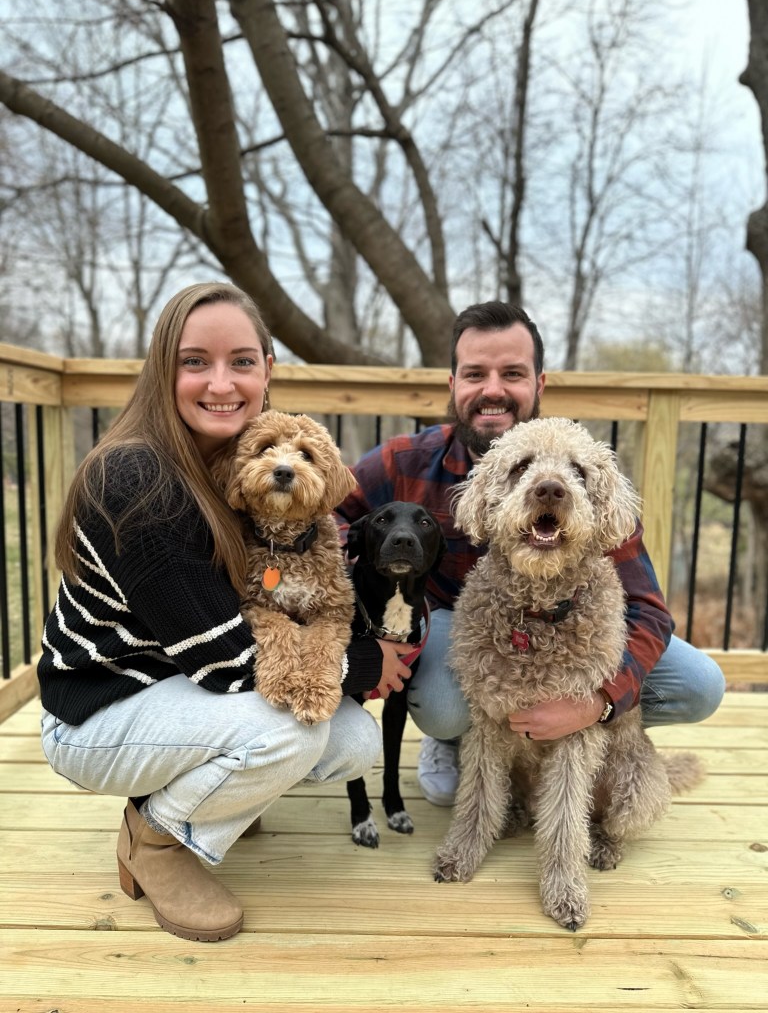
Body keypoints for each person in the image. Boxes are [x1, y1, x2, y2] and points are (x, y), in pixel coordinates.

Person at [38, 282, 414, 943]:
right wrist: (364, 662)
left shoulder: (226, 459)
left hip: (173, 678)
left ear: (267, 369)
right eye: (195, 362)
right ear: (163, 370)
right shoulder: (136, 482)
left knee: (352, 742)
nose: (221, 383)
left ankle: (215, 797)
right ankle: (155, 840)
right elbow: (230, 665)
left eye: (241, 361)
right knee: (290, 735)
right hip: (98, 706)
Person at [336, 300, 726, 807]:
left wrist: (598, 701)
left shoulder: (579, 474)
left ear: (539, 384)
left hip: (567, 632)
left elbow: (647, 610)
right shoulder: (403, 462)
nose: (493, 390)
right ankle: (455, 740)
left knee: (700, 685)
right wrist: (367, 624)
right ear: (453, 384)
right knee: (445, 706)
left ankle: (568, 741)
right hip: (458, 623)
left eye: (512, 373)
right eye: (475, 374)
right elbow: (328, 518)